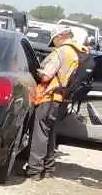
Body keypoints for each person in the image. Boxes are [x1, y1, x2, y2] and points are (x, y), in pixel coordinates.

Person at [28, 28, 86, 179]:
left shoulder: (62, 52)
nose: (54, 43)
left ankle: (34, 170)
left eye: (54, 39)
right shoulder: (77, 53)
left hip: (49, 97)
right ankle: (48, 168)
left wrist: (36, 72)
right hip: (62, 100)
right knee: (50, 133)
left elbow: (46, 76)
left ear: (61, 36)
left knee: (40, 133)